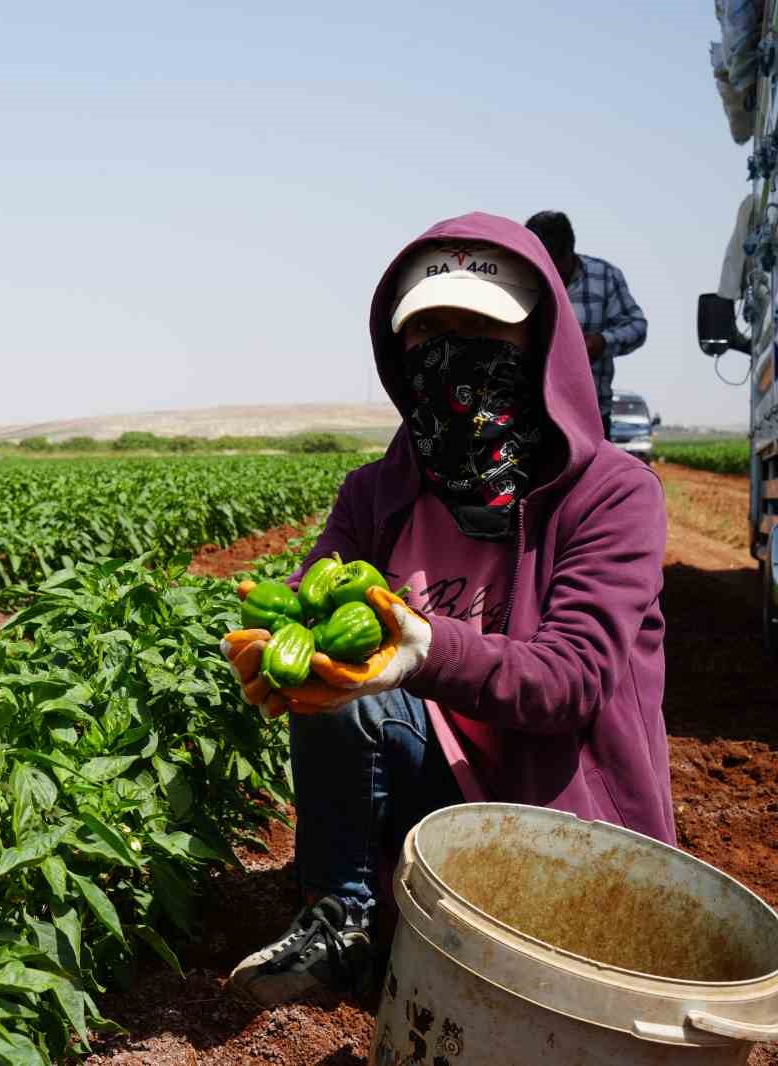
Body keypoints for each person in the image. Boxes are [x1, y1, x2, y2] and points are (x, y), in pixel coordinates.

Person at [221, 214, 670, 1007]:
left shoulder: (612, 495)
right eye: (426, 333)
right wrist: (275, 649)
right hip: (432, 790)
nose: (449, 358)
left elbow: (572, 680)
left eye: (480, 331)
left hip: (556, 815)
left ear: (542, 344)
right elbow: (310, 597)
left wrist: (424, 648)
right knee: (344, 684)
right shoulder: (375, 493)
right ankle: (345, 921)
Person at [523, 210, 648, 439]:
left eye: (556, 267)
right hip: (530, 415)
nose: (550, 275)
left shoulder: (605, 276)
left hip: (591, 416)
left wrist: (603, 342)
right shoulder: (520, 278)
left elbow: (636, 326)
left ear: (569, 252)